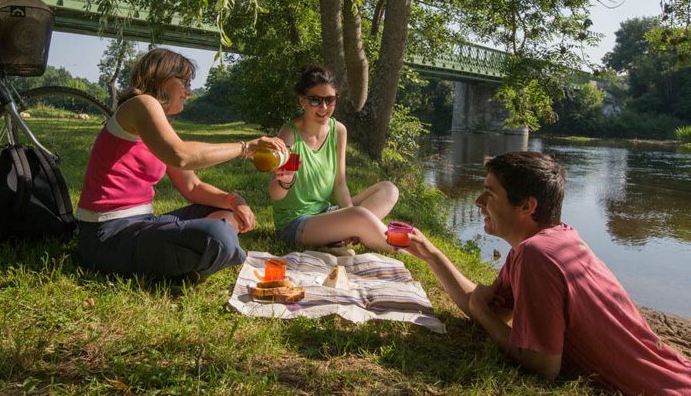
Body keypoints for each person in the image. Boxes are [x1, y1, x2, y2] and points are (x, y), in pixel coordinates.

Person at [404, 151, 691, 395]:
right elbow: (487, 306)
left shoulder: (536, 256)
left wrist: (482, 313)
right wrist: (431, 254)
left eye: (489, 194)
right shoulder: (552, 242)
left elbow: (542, 367)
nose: (478, 201)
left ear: (527, 206)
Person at [76, 48, 286, 280]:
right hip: (107, 236)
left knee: (229, 212)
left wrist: (233, 199)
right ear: (162, 77)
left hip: (141, 222)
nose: (189, 91)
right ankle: (214, 248)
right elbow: (181, 155)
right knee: (217, 234)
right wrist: (245, 147)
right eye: (185, 81)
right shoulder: (141, 104)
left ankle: (202, 251)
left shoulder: (155, 123)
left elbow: (192, 187)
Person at [270, 65, 399, 254]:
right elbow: (276, 193)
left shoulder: (338, 131)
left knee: (389, 190)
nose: (323, 107)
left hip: (325, 214)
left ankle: (336, 240)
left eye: (330, 100)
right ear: (302, 101)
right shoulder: (290, 135)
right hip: (295, 224)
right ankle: (405, 249)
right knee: (359, 216)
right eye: (315, 100)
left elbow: (340, 184)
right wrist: (284, 182)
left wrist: (347, 214)